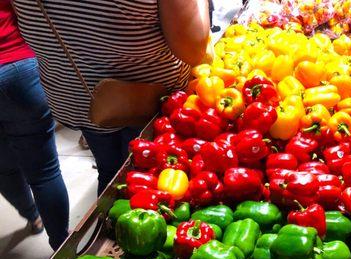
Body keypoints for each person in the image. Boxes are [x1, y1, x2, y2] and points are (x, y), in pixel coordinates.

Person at [12, 0, 211, 195]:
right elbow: (193, 50)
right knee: (161, 177)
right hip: (153, 100)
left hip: (80, 97)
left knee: (112, 174)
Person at [0, 0, 69, 250]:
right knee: (44, 172)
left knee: (4, 169)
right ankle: (63, 249)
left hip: (16, 68)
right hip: (18, 68)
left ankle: (33, 216)